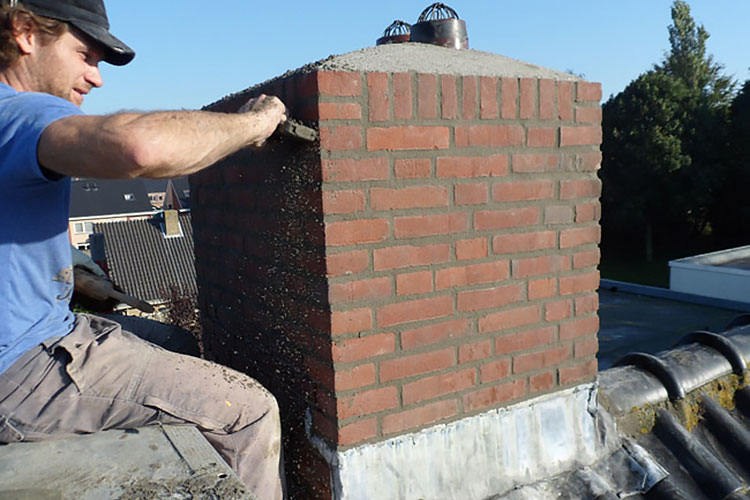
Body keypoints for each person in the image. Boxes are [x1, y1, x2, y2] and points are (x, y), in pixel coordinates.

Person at [0, 1, 288, 499]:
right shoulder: (19, 111)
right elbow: (139, 148)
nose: (96, 78)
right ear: (25, 32)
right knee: (249, 412)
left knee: (175, 342)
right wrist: (252, 126)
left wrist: (68, 268)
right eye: (85, 54)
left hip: (39, 330)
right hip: (23, 370)